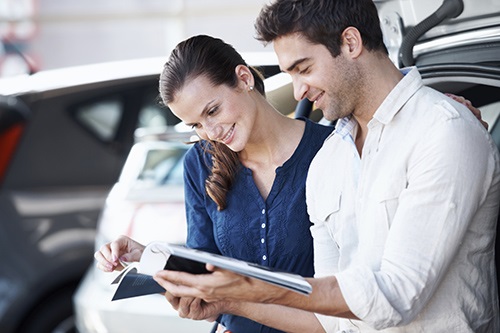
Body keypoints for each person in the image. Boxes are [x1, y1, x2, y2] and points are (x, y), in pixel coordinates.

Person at [152, 0, 500, 332]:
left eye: (304, 69)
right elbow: (329, 321)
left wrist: (253, 289)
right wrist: (231, 303)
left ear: (350, 42)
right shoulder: (330, 158)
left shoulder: (442, 130)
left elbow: (397, 295)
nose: (298, 92)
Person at [94, 34, 334, 333]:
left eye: (212, 111)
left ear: (243, 78)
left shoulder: (331, 152)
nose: (210, 132)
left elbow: (352, 298)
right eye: (195, 124)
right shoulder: (200, 164)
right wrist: (149, 258)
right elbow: (205, 279)